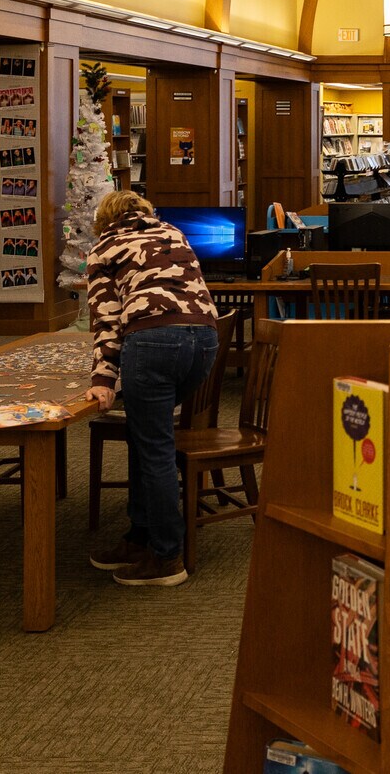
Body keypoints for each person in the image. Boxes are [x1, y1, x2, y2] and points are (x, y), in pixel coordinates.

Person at [83, 189, 222, 586]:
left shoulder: (104, 247)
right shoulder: (174, 233)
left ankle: (166, 557)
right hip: (204, 341)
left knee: (154, 446)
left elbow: (107, 321)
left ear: (103, 219)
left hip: (154, 342)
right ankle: (139, 536)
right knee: (146, 436)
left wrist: (103, 381)